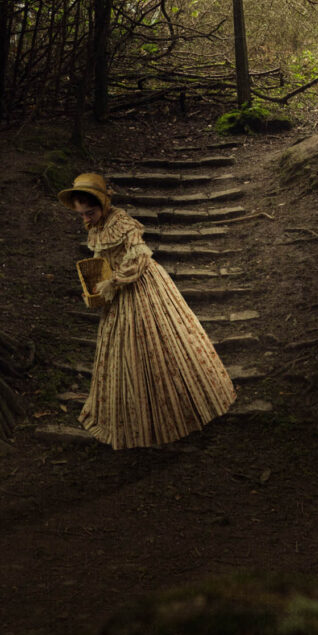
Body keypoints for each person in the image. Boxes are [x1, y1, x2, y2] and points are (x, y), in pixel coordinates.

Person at [58, 172, 236, 449]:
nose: (85, 218)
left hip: (141, 288)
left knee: (159, 345)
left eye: (89, 212)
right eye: (81, 214)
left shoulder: (123, 223)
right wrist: (97, 282)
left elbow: (140, 257)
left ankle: (178, 412)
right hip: (117, 294)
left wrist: (115, 280)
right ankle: (131, 419)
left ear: (103, 204)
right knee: (121, 352)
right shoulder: (97, 225)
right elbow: (101, 257)